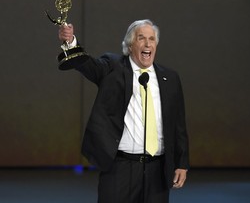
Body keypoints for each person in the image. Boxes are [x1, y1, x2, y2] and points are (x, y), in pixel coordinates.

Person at [57, 19, 189, 203]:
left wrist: (181, 163)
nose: (147, 43)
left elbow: (178, 125)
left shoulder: (170, 78)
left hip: (157, 171)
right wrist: (70, 42)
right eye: (141, 38)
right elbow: (88, 65)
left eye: (152, 39)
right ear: (130, 44)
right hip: (120, 168)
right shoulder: (113, 67)